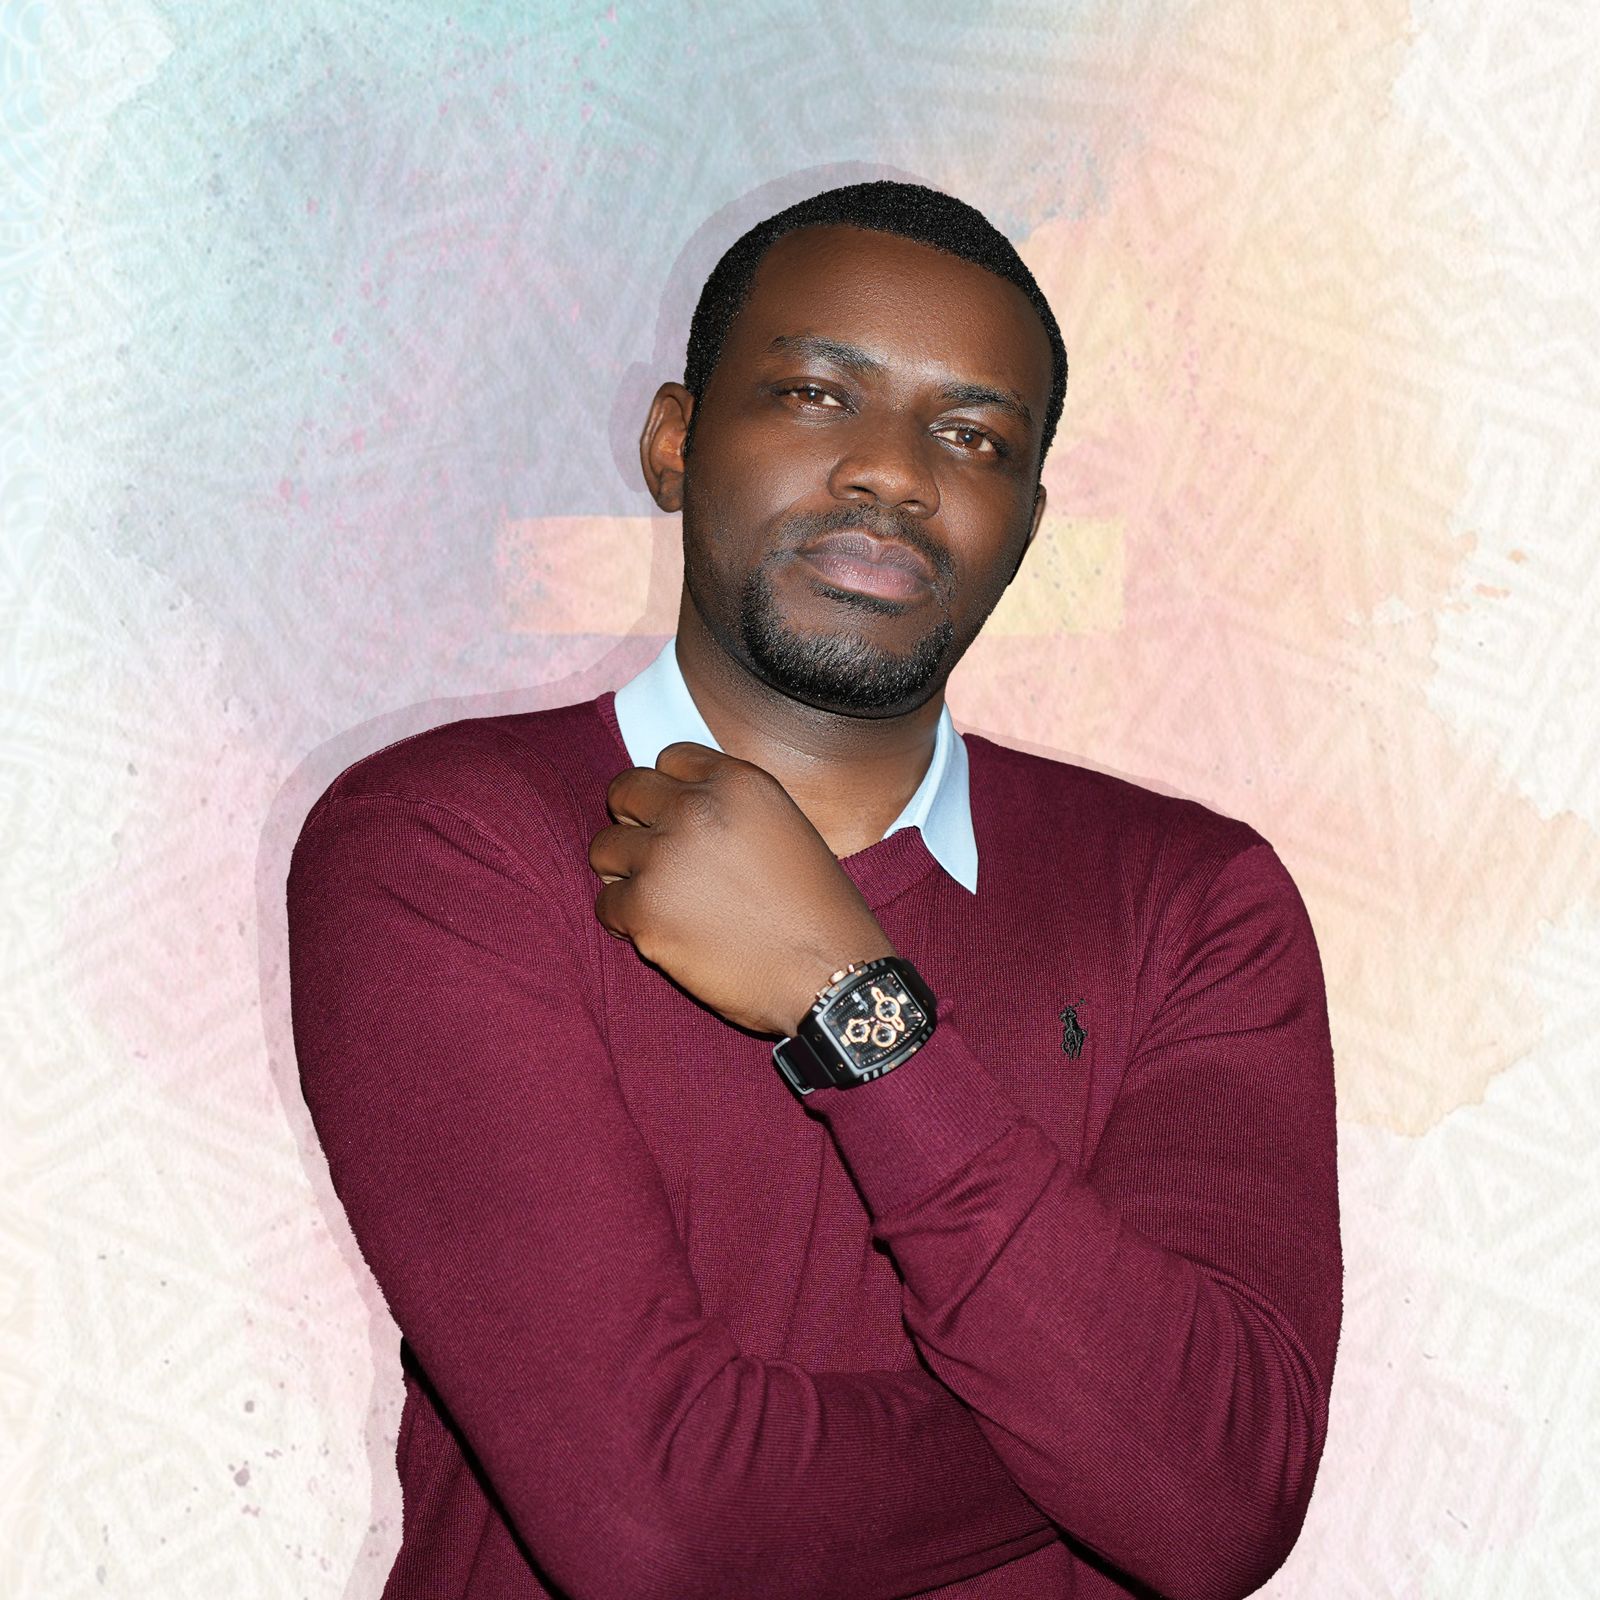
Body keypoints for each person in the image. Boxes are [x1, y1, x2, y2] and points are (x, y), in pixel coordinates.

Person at [287, 180, 1342, 1600]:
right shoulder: (447, 846)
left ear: (1028, 521)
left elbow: (1221, 1505)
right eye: (815, 395)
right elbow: (658, 1528)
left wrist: (851, 1003)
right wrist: (1120, 1431)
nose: (892, 473)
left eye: (970, 436)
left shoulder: (1196, 906)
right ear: (674, 442)